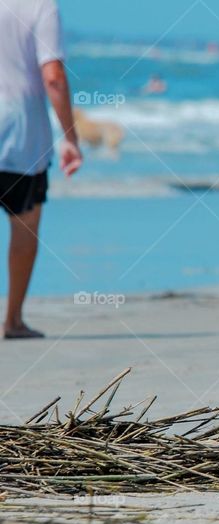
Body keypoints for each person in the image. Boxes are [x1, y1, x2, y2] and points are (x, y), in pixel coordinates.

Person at [0, 0, 82, 339]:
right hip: (21, 133)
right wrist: (71, 138)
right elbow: (54, 78)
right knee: (25, 224)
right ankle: (13, 320)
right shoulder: (41, 7)